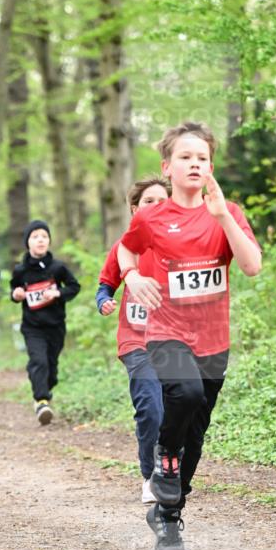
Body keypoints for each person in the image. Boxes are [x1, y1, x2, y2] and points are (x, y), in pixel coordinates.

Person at [118, 121, 261, 550]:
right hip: (166, 332)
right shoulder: (152, 217)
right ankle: (164, 452)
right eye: (185, 157)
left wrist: (222, 217)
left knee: (196, 434)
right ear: (168, 166)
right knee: (186, 391)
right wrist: (132, 276)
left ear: (210, 166)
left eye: (202, 157)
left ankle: (168, 515)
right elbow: (125, 248)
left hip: (214, 339)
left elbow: (252, 266)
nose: (195, 163)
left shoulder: (227, 212)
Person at [96, 177, 170, 503]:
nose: (157, 207)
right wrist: (104, 301)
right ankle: (151, 476)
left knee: (177, 410)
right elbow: (105, 286)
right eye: (149, 201)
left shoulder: (182, 244)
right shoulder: (124, 247)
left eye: (163, 201)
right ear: (135, 209)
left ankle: (171, 467)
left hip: (175, 340)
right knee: (150, 408)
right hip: (136, 340)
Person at [10, 219, 81, 425]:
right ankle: (41, 401)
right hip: (32, 326)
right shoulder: (21, 270)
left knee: (51, 368)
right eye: (35, 237)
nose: (40, 240)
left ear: (49, 241)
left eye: (44, 236)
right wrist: (16, 294)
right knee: (39, 361)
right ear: (28, 242)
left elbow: (74, 287)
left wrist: (58, 293)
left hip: (56, 325)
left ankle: (43, 386)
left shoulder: (58, 267)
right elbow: (14, 290)